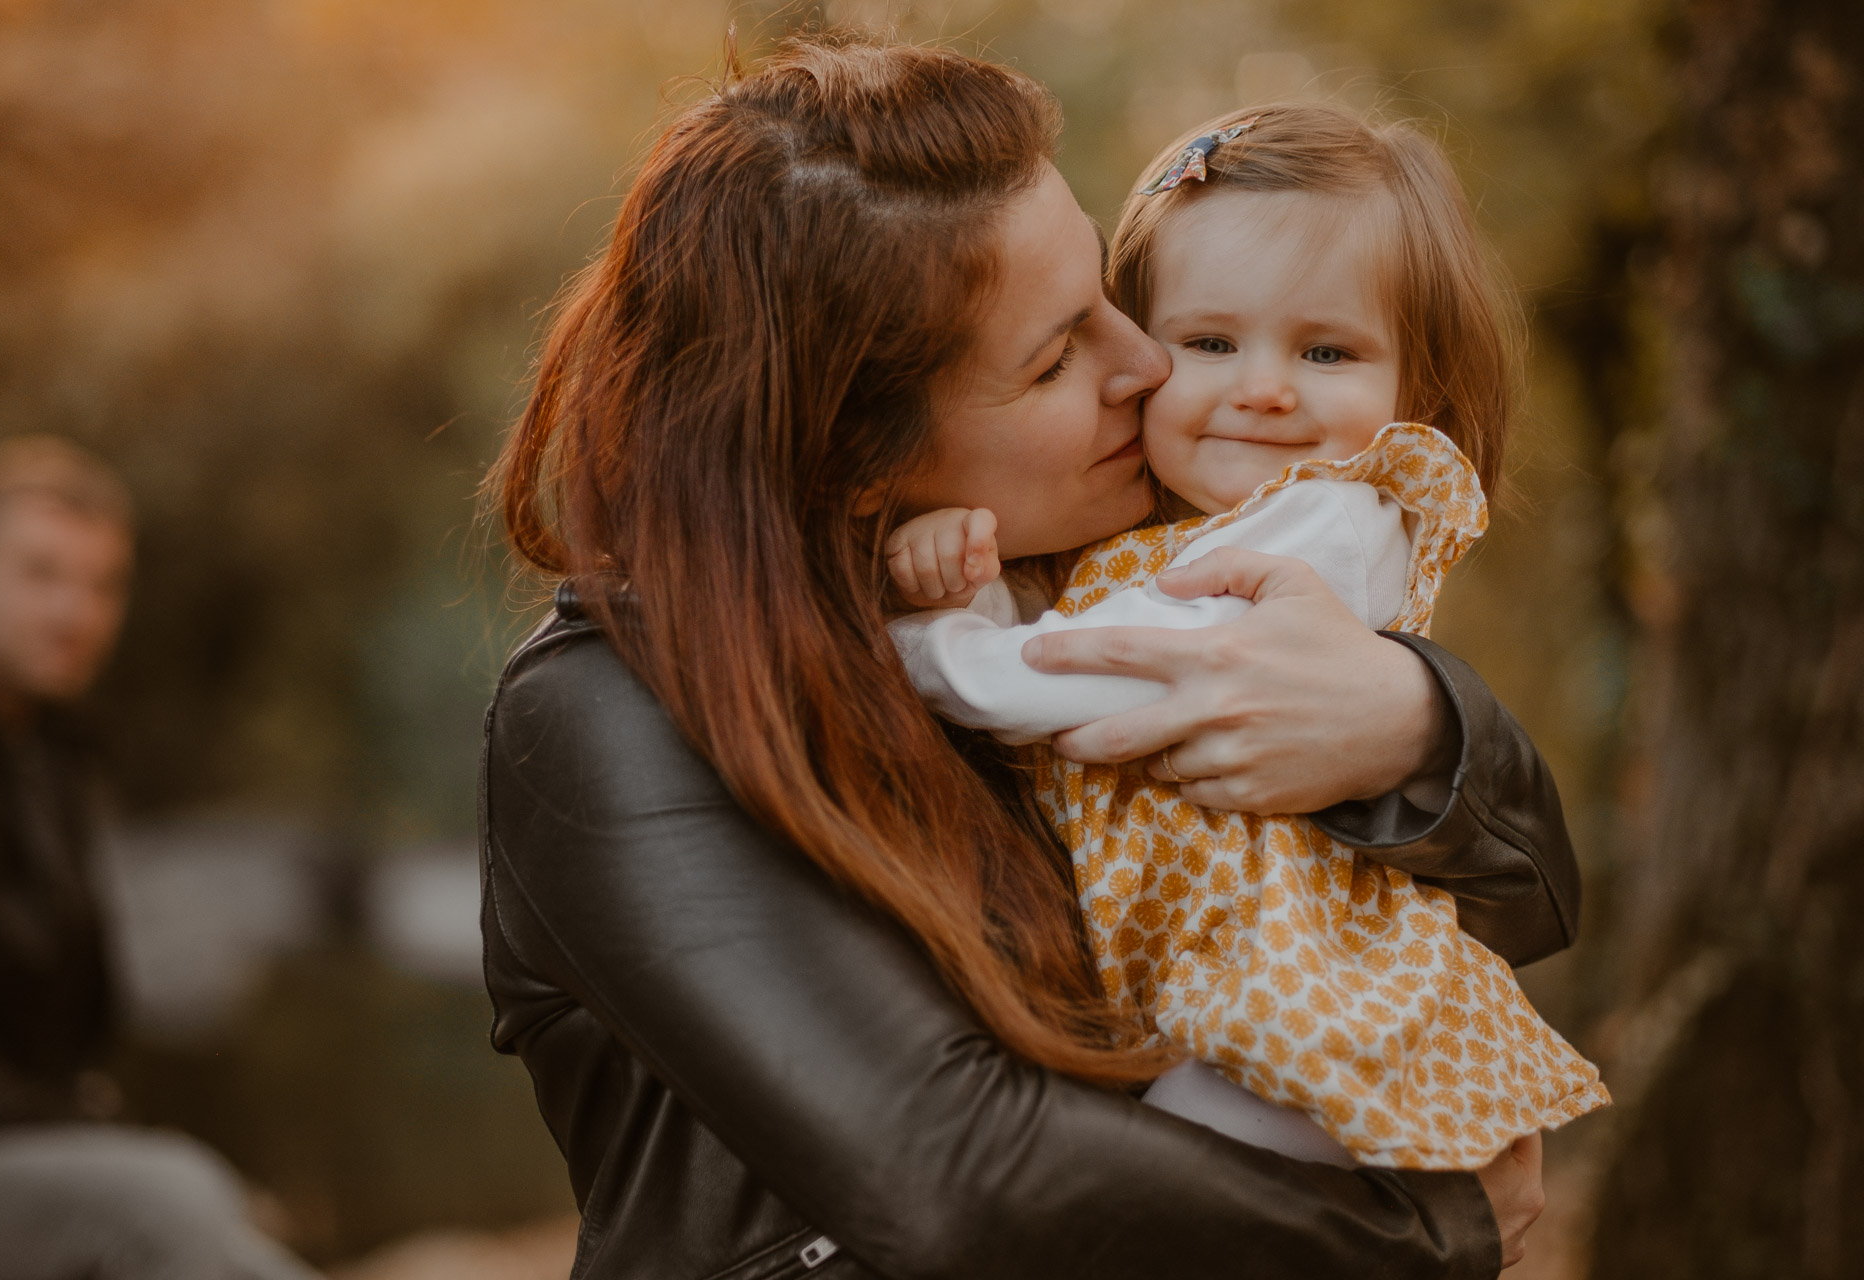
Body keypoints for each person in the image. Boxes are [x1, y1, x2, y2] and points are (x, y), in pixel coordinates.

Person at [480, 39, 1565, 1278]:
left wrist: (1415, 725)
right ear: (856, 458)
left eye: (1112, 295)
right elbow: (950, 1166)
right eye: (1056, 357)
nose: (1149, 362)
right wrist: (1415, 1232)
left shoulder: (1110, 577)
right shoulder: (607, 715)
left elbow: (1527, 904)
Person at [882, 102, 1609, 1171]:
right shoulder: (1161, 533)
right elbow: (1090, 629)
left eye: (1325, 349)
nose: (1263, 390)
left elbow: (1081, 676)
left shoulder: (1323, 521)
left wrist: (921, 638)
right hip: (1191, 986)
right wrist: (974, 580)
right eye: (1210, 341)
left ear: (1419, 383)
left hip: (1272, 1001)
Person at [0, 437, 314, 1279]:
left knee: (198, 1199)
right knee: (167, 1201)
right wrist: (101, 1143)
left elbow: (67, 1015)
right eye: (41, 574)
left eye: (102, 584)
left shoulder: (45, 742)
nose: (74, 612)